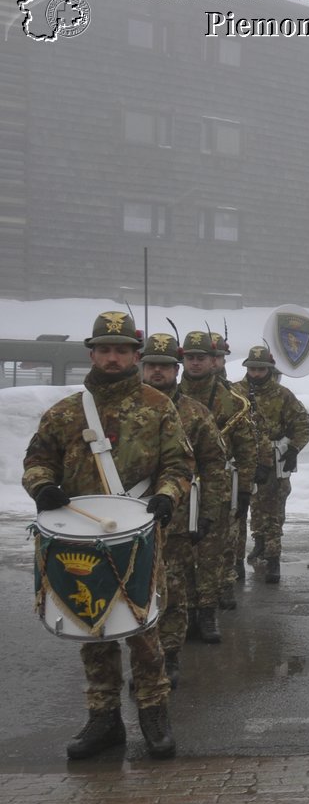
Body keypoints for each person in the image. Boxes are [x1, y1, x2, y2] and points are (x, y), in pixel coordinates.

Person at [23, 310, 193, 759]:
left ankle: (154, 712)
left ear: (134, 354)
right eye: (105, 350)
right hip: (80, 534)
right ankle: (103, 719)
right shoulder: (64, 412)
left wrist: (168, 496)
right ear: (92, 354)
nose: (113, 358)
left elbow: (179, 464)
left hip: (137, 531)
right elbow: (37, 461)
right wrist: (42, 486)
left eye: (121, 350)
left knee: (143, 627)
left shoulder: (159, 407)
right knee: (90, 625)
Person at [141, 332, 228, 678]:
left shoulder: (195, 413)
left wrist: (209, 512)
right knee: (136, 593)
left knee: (173, 592)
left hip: (176, 518)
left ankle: (169, 657)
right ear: (142, 367)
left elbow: (214, 464)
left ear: (175, 370)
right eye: (152, 366)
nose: (158, 372)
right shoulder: (118, 411)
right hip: (126, 520)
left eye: (164, 366)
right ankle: (145, 658)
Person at [177, 329, 259, 617]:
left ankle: (208, 610)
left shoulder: (232, 400)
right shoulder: (169, 398)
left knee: (215, 549)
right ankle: (183, 608)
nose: (197, 363)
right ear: (182, 360)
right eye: (191, 358)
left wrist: (246, 488)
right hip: (179, 485)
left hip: (218, 486)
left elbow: (247, 449)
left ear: (214, 361)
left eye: (203, 358)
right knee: (181, 552)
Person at [241, 345, 309, 585]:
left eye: (261, 369)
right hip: (244, 461)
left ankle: (273, 558)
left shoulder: (283, 395)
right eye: (252, 368)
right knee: (250, 509)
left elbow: (303, 424)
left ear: (269, 369)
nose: (256, 373)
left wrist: (292, 448)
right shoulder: (236, 393)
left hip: (274, 462)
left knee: (273, 513)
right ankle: (258, 544)